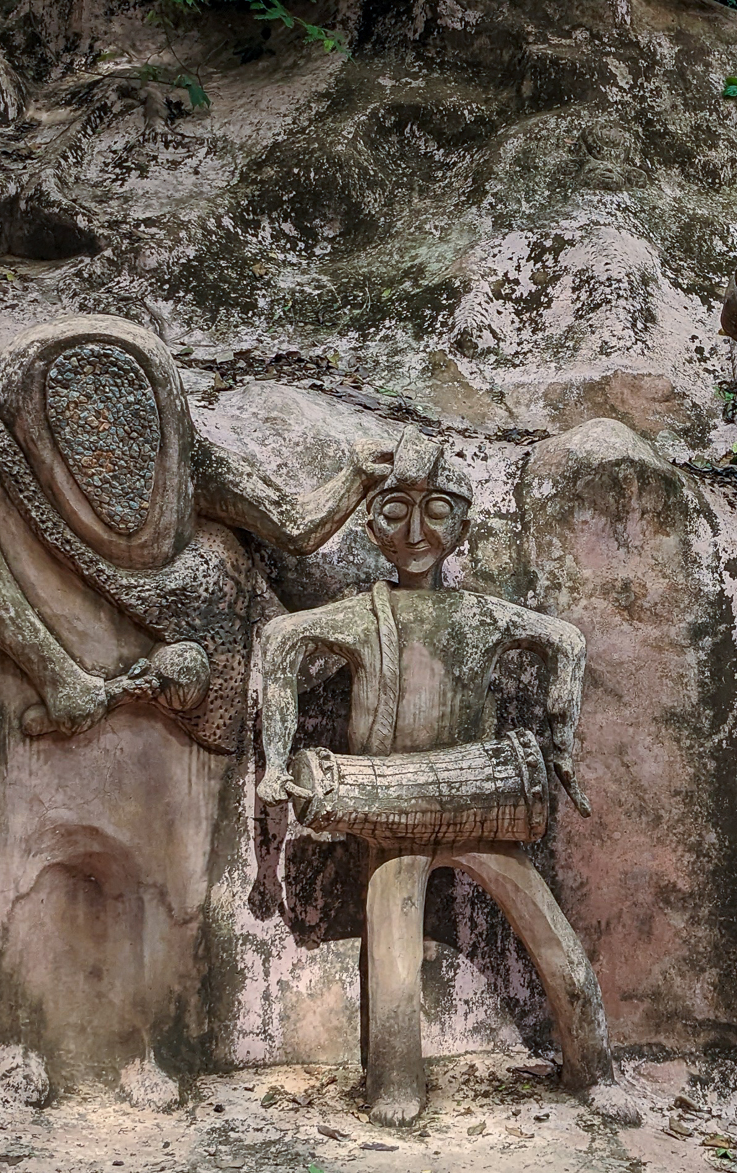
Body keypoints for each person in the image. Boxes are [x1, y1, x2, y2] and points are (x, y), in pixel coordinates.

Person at [255, 435, 635, 1127]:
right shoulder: (365, 617)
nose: (415, 533)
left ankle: (593, 1069)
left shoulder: (477, 615)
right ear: (373, 527)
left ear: (460, 525)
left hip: (479, 803)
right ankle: (396, 1081)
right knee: (393, 960)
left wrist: (560, 741)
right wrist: (277, 761)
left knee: (557, 947)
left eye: (435, 512)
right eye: (395, 511)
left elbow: (567, 641)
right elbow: (282, 640)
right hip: (389, 814)